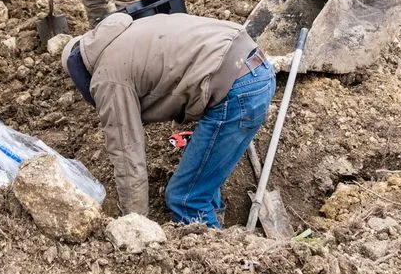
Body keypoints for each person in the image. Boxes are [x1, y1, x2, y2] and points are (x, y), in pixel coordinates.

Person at [60, 12, 276, 227]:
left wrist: (136, 224)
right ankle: (219, 232)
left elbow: (127, 154)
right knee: (200, 186)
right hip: (255, 65)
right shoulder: (130, 32)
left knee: (185, 198)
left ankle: (216, 252)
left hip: (236, 90)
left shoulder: (108, 77)